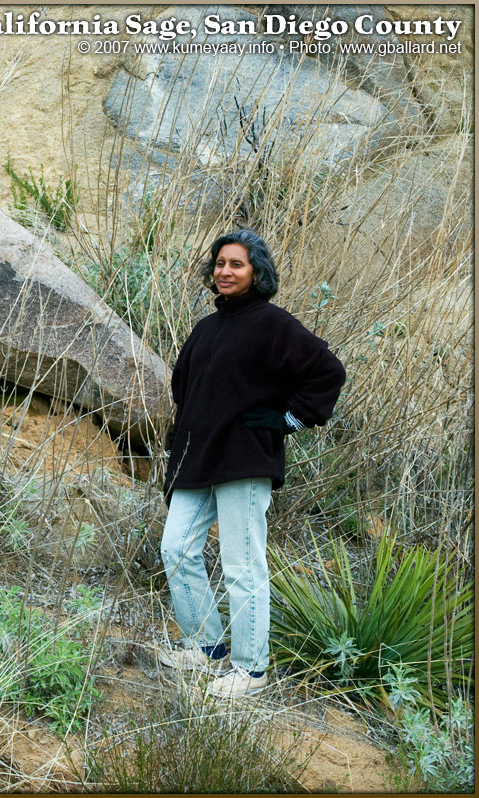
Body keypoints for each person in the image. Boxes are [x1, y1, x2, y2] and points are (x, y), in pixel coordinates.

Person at [156, 229, 346, 698]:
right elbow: (184, 391)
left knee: (242, 567)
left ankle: (251, 671)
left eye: (236, 264)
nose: (225, 271)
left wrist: (288, 420)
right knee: (176, 549)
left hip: (244, 460)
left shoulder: (273, 324)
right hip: (197, 460)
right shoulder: (206, 328)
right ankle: (207, 648)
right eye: (220, 263)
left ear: (256, 273)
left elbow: (328, 372)